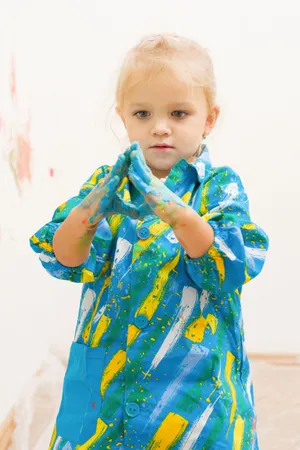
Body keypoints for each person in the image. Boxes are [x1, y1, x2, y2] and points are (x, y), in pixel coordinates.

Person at [30, 33, 269, 450]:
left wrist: (172, 208)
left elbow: (228, 267)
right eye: (143, 113)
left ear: (208, 119)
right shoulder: (106, 188)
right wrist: (92, 209)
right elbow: (65, 256)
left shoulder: (219, 188)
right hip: (106, 397)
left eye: (179, 113)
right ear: (123, 118)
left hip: (193, 402)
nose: (160, 127)